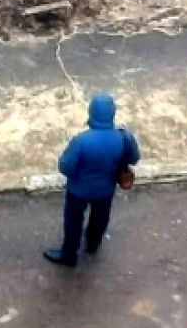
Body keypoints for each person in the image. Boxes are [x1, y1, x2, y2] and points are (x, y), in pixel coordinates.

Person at [44, 93, 140, 267]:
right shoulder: (124, 137)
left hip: (78, 190)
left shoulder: (81, 141)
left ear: (91, 113)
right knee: (100, 216)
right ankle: (93, 244)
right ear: (112, 113)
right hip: (106, 188)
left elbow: (65, 167)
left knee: (73, 220)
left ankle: (69, 255)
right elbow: (134, 158)